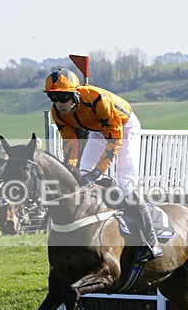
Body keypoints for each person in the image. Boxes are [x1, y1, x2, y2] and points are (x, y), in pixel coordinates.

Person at [45, 68, 162, 261]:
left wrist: (98, 172)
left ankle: (152, 241)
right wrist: (70, 167)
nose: (59, 103)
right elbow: (70, 143)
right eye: (53, 98)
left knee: (125, 181)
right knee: (81, 175)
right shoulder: (57, 113)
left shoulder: (97, 100)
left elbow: (115, 140)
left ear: (75, 94)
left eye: (63, 97)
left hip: (124, 127)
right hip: (98, 130)